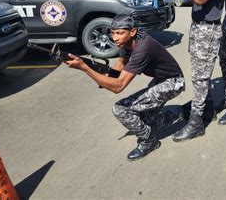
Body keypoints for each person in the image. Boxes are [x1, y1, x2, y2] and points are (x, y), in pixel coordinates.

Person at [64, 14, 185, 161]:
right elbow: (120, 64)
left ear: (132, 32)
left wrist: (85, 68)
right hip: (161, 80)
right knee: (146, 122)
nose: (115, 38)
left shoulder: (143, 48)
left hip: (173, 82)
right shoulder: (126, 43)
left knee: (121, 109)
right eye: (113, 33)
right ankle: (185, 111)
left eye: (120, 33)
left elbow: (119, 86)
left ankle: (149, 141)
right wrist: (105, 77)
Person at [168, 0, 226, 142]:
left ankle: (195, 124)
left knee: (200, 78)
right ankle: (208, 109)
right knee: (200, 74)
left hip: (208, 29)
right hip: (197, 27)